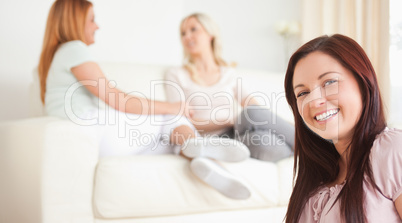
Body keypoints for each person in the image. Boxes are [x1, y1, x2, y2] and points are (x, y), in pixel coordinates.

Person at [37, 0, 252, 199]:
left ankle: (206, 164)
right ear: (75, 22)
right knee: (171, 117)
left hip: (91, 139)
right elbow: (118, 99)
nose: (97, 26)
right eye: (92, 20)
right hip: (94, 134)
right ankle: (201, 148)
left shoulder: (58, 56)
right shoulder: (74, 49)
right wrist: (173, 107)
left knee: (170, 141)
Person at [284, 34, 402, 222]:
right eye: (303, 93)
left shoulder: (393, 151)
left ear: (364, 83)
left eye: (329, 82)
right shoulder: (313, 184)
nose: (314, 101)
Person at [164, 13, 294, 162]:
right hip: (215, 141)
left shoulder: (228, 73)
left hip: (238, 130)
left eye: (193, 29)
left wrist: (282, 124)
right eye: (183, 33)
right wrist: (228, 120)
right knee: (263, 142)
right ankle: (308, 147)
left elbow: (254, 107)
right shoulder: (176, 74)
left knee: (252, 114)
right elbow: (180, 123)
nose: (187, 36)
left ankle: (306, 140)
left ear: (210, 34)